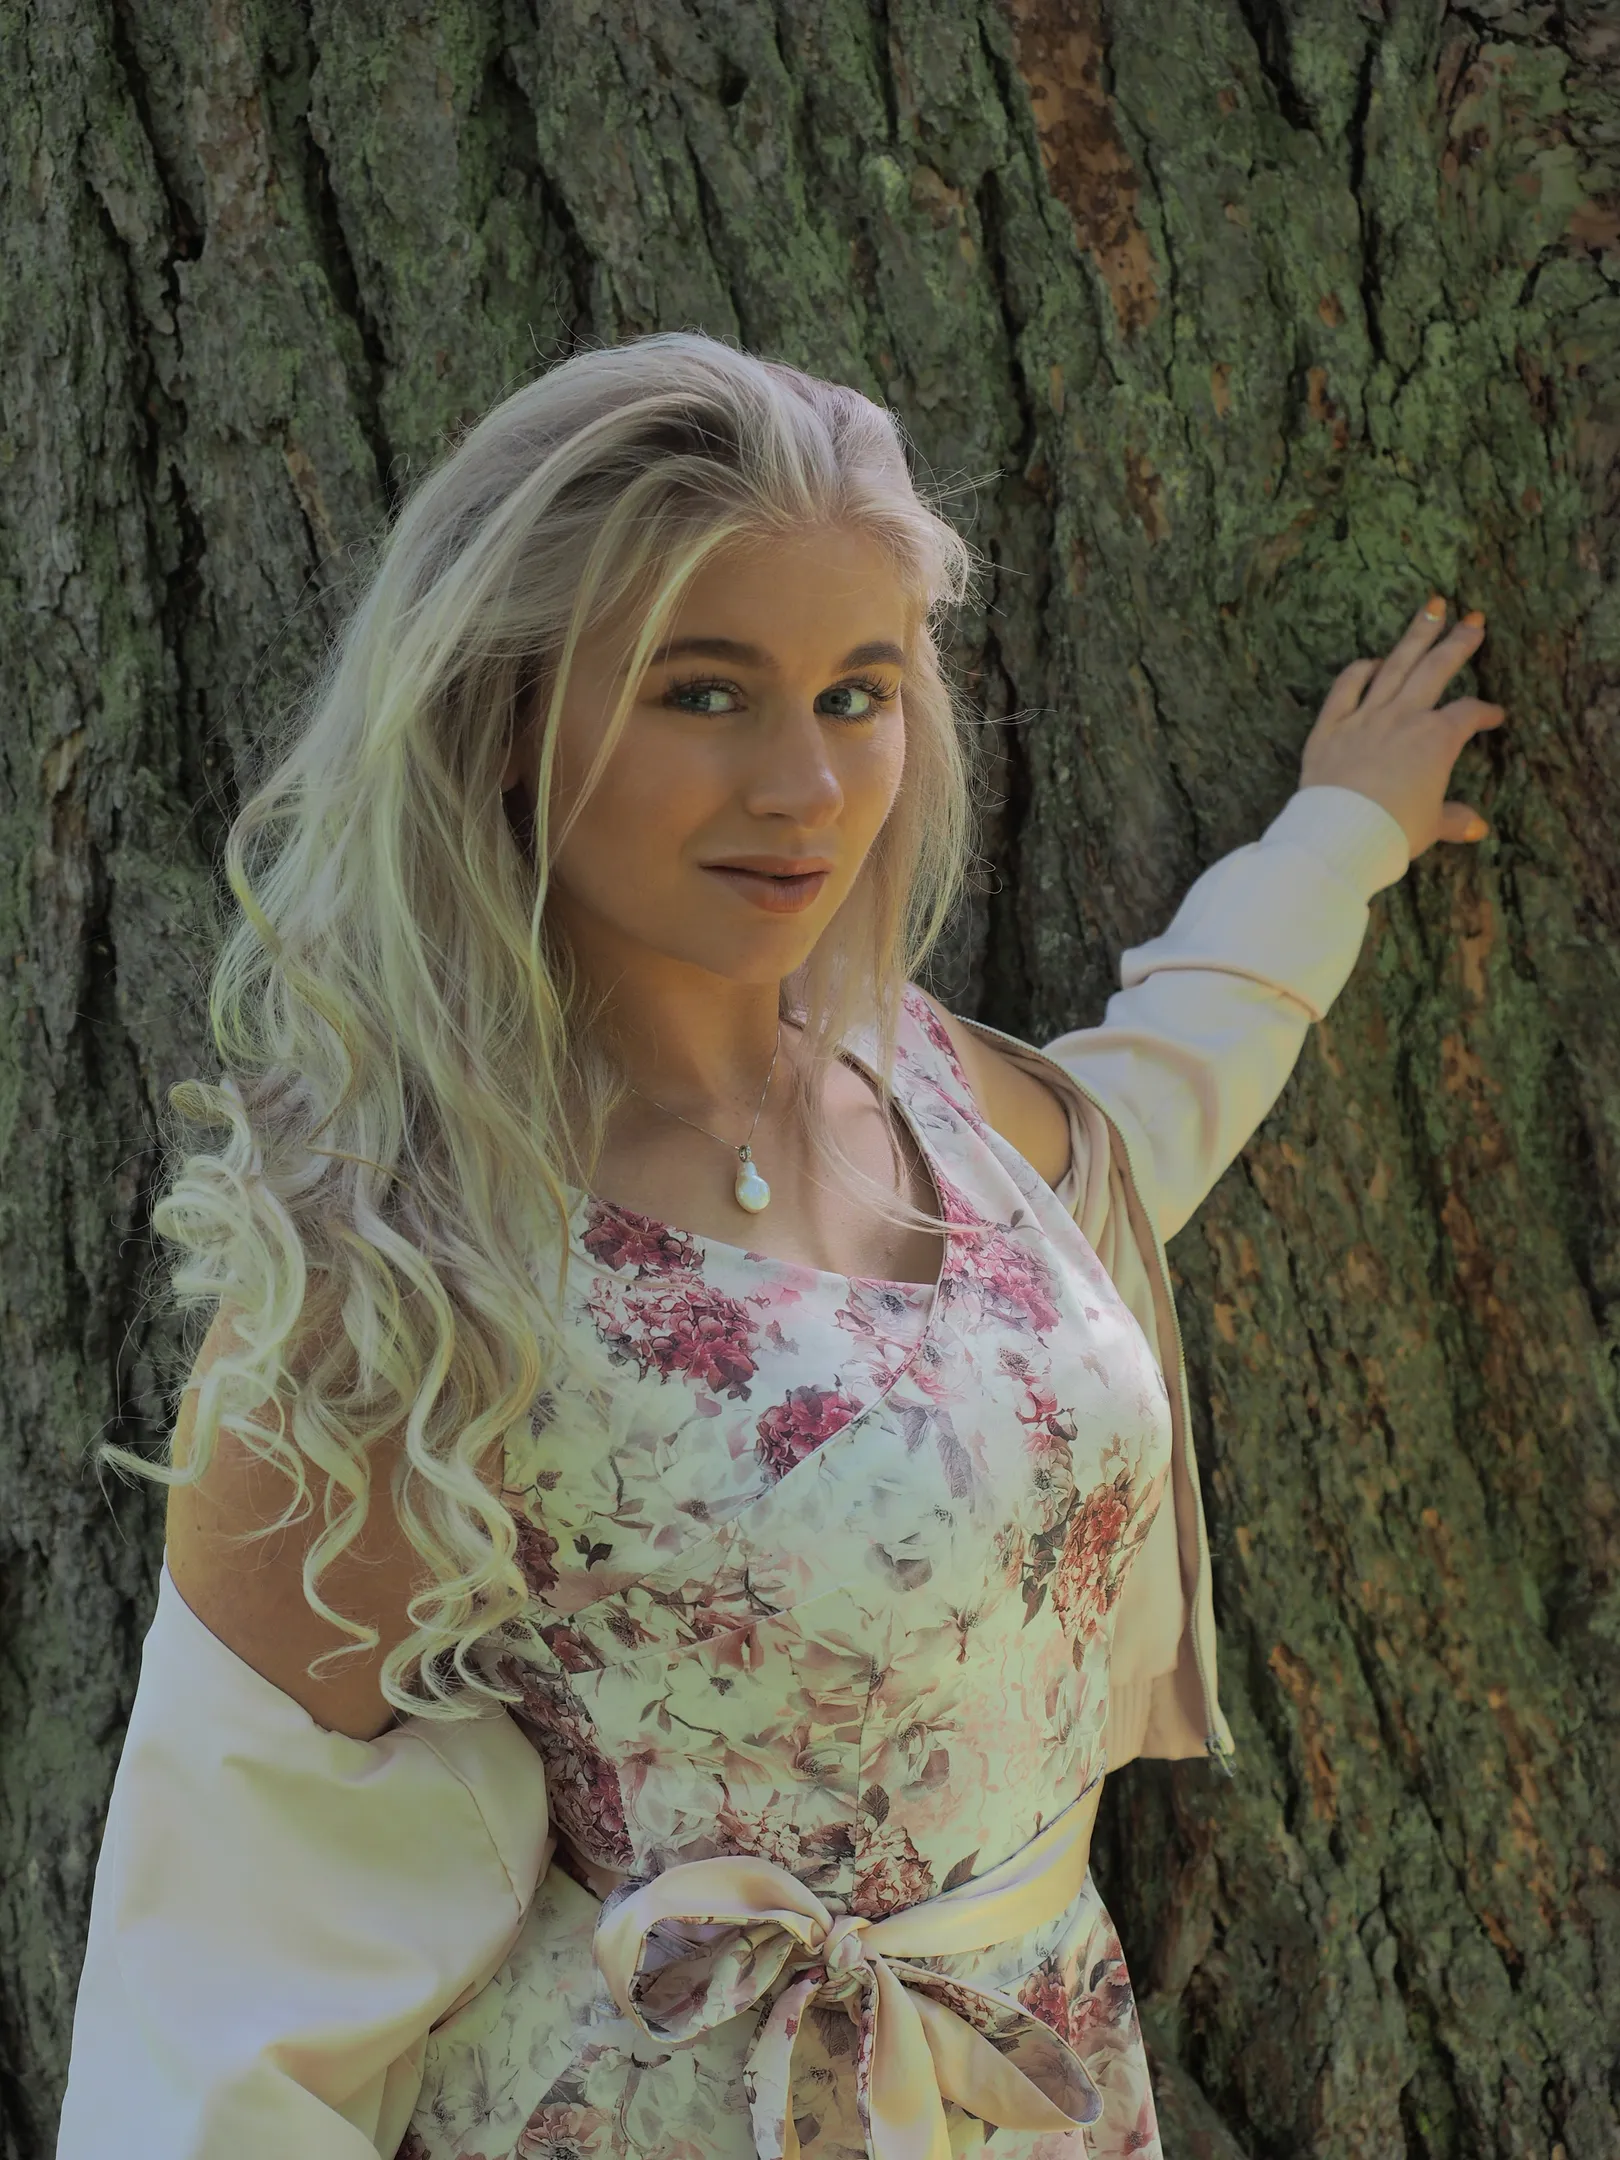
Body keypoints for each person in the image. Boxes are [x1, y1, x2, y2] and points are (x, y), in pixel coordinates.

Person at [56, 330, 1504, 2160]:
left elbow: (1134, 1132)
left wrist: (1336, 842)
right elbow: (223, 1975)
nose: (805, 791)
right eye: (703, 692)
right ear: (507, 713)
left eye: (855, 694)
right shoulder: (410, 1274)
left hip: (1035, 2076)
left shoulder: (928, 1079)